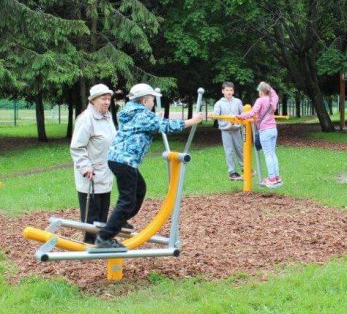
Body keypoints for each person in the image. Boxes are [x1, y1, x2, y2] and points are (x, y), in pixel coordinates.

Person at [94, 83, 204, 248]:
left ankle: (120, 220)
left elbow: (148, 123)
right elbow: (167, 126)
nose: (153, 103)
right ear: (144, 101)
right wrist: (192, 121)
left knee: (139, 190)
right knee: (127, 199)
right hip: (125, 161)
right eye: (152, 100)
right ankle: (104, 237)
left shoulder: (131, 111)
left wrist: (154, 118)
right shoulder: (143, 116)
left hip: (119, 159)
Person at [70, 84, 116, 243]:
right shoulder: (86, 118)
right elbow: (77, 147)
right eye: (103, 99)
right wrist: (85, 167)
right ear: (94, 100)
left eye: (109, 99)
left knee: (102, 217)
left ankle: (100, 244)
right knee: (91, 219)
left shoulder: (108, 117)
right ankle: (88, 247)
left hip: (106, 175)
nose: (107, 102)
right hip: (91, 177)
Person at [237, 81, 282, 189]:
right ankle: (277, 177)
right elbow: (274, 93)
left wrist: (241, 116)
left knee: (268, 155)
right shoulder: (273, 99)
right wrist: (267, 85)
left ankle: (271, 179)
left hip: (265, 130)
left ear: (261, 91)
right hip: (273, 129)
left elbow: (252, 112)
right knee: (272, 154)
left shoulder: (260, 100)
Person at [213, 82, 244, 180]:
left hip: (236, 129)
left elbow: (243, 113)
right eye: (227, 90)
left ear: (233, 91)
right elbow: (215, 115)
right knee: (229, 151)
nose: (229, 92)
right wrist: (214, 115)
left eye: (231, 90)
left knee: (240, 149)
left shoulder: (237, 101)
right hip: (225, 130)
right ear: (223, 91)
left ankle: (244, 168)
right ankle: (232, 172)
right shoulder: (219, 103)